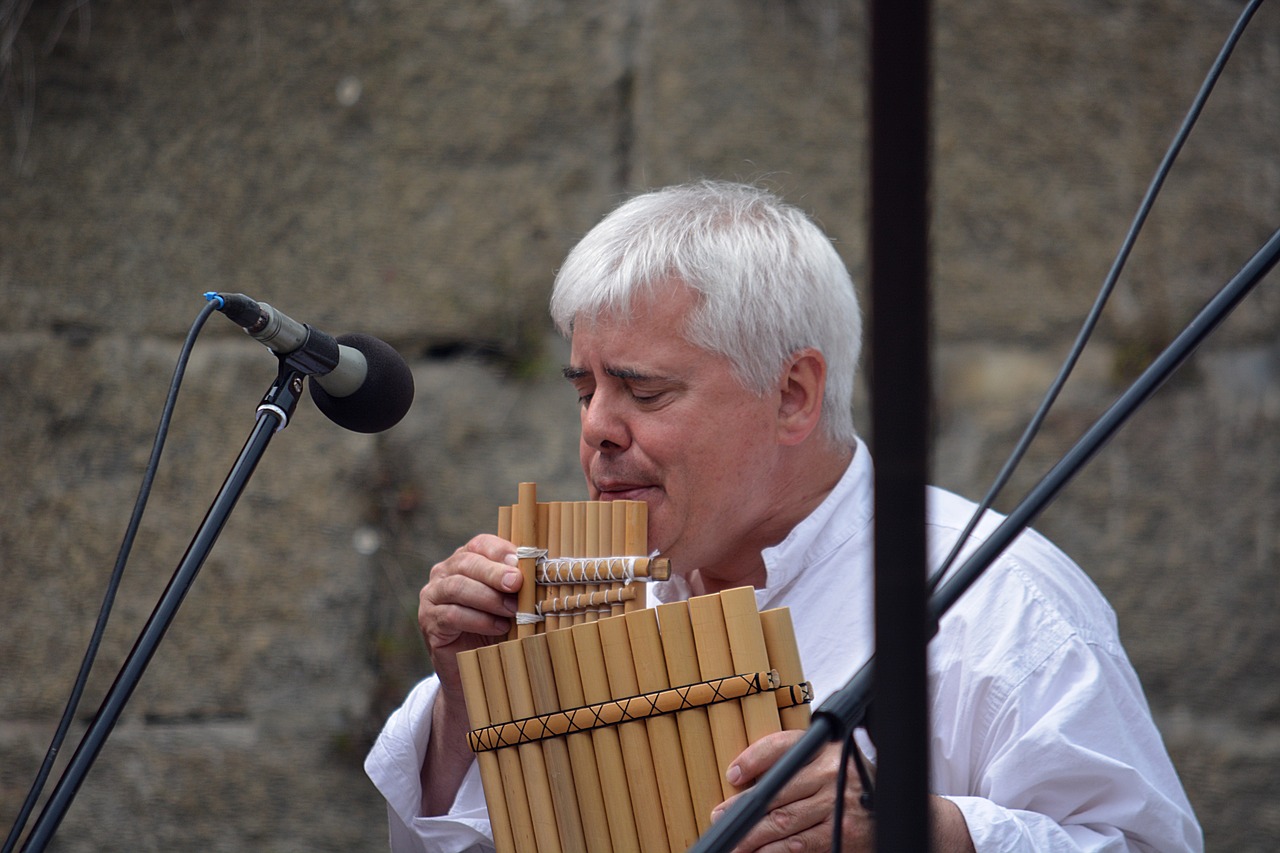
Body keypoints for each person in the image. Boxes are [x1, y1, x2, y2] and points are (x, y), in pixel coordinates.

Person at [365, 180, 1202, 852]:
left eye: (643, 389)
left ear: (793, 395)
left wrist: (932, 831)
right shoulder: (561, 599)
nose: (596, 430)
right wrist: (465, 707)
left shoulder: (1002, 599)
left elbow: (1139, 842)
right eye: (585, 390)